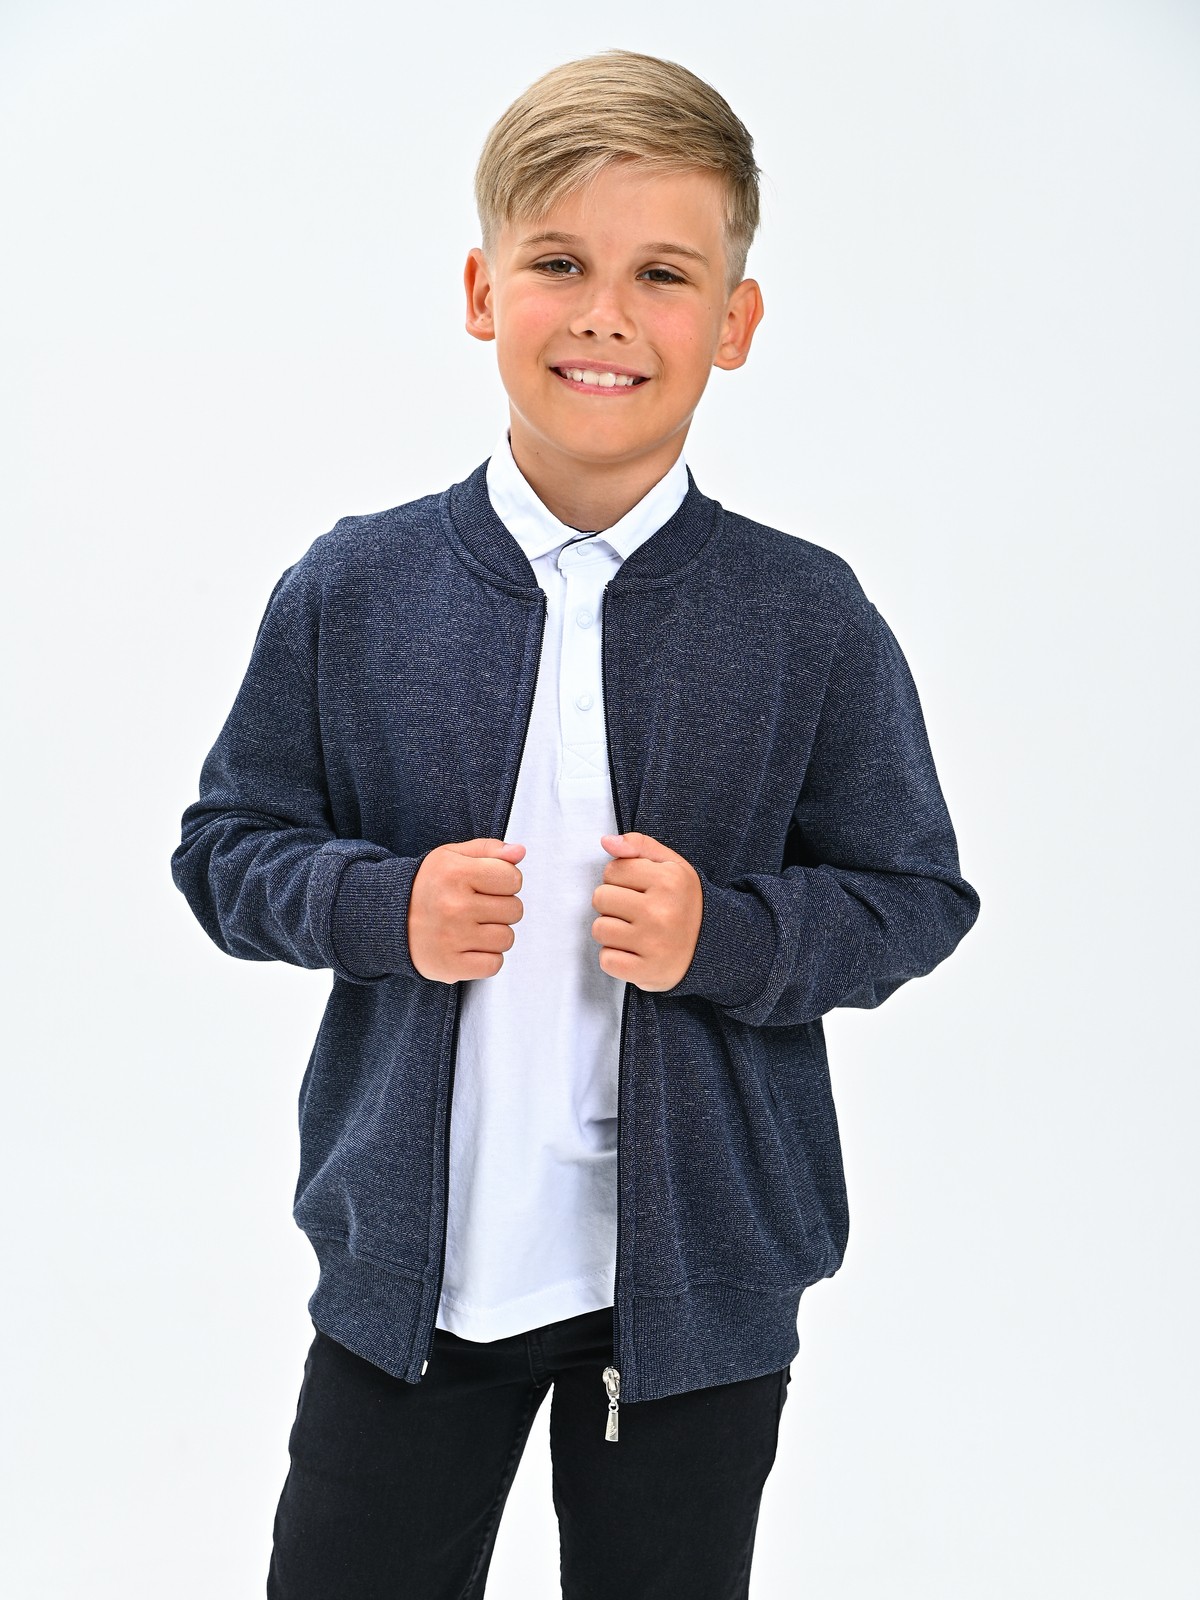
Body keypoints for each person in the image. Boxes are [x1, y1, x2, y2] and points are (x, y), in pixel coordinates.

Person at [171, 48, 981, 1600]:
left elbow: (912, 894)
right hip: (414, 1285)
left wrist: (725, 937)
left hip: (694, 1297)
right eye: (559, 262)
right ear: (484, 292)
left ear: (734, 322)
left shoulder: (806, 616)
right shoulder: (354, 588)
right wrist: (382, 907)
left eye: (662, 273)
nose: (605, 313)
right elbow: (226, 848)